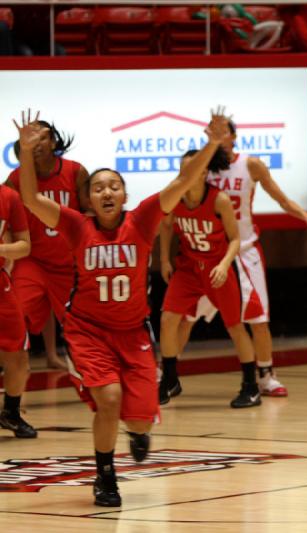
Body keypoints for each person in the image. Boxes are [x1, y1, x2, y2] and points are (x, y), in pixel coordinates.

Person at [15, 107, 230, 507]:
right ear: (89, 199)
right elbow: (29, 198)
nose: (106, 192)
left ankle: (139, 432)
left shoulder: (144, 218)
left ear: (125, 195)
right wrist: (27, 153)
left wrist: (214, 142)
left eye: (114, 185)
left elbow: (184, 180)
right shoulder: (76, 224)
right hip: (87, 330)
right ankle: (105, 476)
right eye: (98, 187)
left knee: (139, 418)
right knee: (108, 399)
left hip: (133, 332)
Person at [171, 117, 307, 401]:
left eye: (220, 132)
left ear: (233, 135)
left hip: (243, 251)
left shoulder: (250, 165)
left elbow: (281, 199)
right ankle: (166, 374)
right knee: (186, 317)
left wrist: (306, 216)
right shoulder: (200, 166)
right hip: (207, 255)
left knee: (258, 319)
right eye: (210, 132)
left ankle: (266, 375)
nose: (214, 136)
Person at [159, 150, 261, 408]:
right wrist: (163, 259)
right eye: (182, 170)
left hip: (217, 268)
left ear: (203, 172)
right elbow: (166, 225)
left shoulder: (219, 200)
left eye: (190, 170)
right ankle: (169, 379)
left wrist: (225, 265)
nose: (185, 174)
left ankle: (251, 386)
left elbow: (235, 239)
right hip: (188, 267)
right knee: (167, 319)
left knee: (235, 327)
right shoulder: (174, 194)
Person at [5, 119, 88, 370]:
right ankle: (15, 370)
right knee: (12, 311)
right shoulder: (14, 179)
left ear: (53, 141)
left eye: (41, 137)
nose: (37, 143)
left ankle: (91, 372)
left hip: (67, 265)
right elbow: (7, 224)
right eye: (29, 138)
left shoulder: (75, 171)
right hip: (33, 261)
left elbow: (88, 216)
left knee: (81, 323)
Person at [0, 183, 35, 438]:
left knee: (19, 355)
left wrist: (1, 250)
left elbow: (24, 245)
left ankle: (11, 413)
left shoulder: (9, 196)